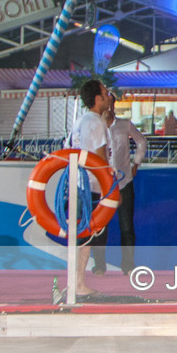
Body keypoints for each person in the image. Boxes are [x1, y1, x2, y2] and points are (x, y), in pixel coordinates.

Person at [66, 79, 112, 296]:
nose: (108, 96)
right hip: (91, 184)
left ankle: (75, 281)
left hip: (77, 181)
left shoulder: (79, 121)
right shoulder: (96, 122)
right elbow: (101, 159)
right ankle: (78, 284)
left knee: (81, 234)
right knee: (86, 235)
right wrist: (109, 191)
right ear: (97, 98)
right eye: (105, 93)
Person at [96, 93, 148, 276]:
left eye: (112, 102)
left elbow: (141, 141)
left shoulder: (124, 125)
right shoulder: (95, 127)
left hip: (124, 182)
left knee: (126, 226)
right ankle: (99, 266)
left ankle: (128, 265)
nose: (109, 106)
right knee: (100, 226)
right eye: (106, 102)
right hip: (102, 185)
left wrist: (136, 163)